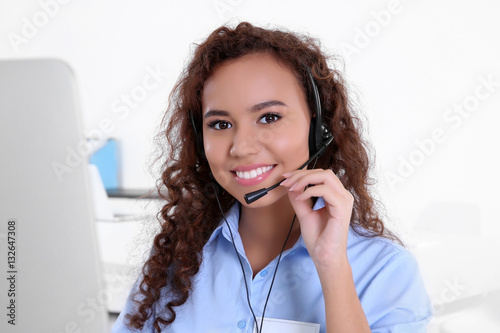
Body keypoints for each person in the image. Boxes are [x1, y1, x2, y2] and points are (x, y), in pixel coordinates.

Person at [111, 22, 432, 333]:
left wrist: (332, 266)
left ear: (319, 127)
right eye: (221, 124)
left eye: (269, 117)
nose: (242, 147)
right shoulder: (176, 261)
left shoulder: (385, 270)